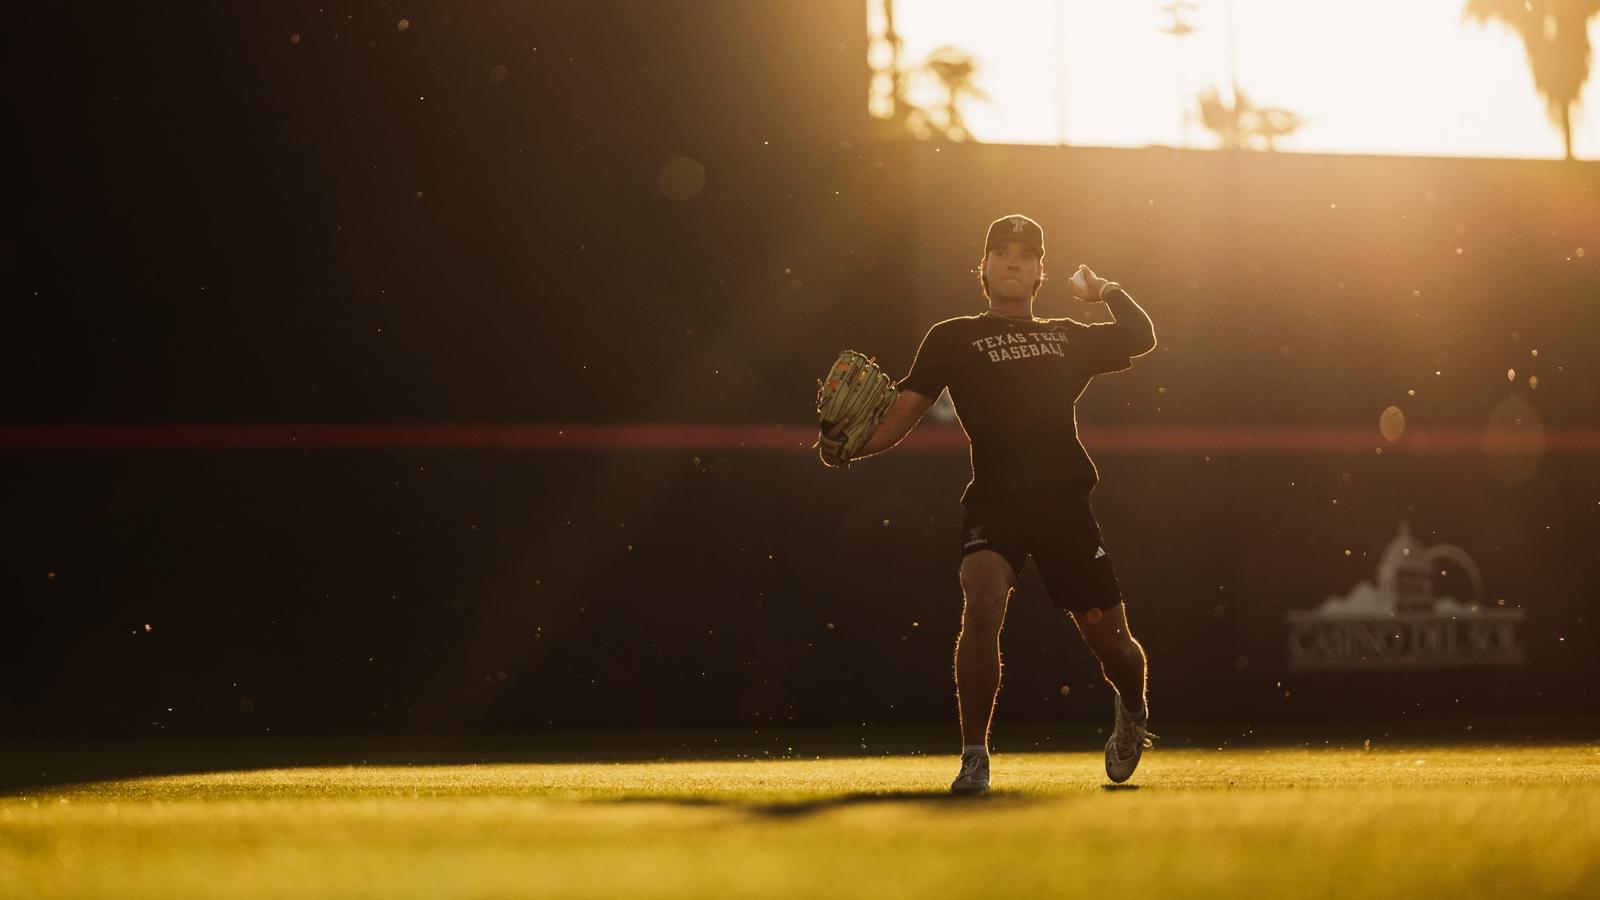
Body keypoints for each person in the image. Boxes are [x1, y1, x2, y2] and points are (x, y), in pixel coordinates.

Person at [818, 213, 1157, 792]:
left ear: (1038, 274)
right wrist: (849, 448)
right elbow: (903, 412)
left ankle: (1131, 708)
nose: (1013, 262)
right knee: (982, 602)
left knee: (1113, 645)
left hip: (1064, 505)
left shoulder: (1066, 335)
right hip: (996, 501)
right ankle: (975, 757)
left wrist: (1103, 290)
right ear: (984, 268)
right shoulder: (953, 336)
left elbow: (1141, 335)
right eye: (1001, 253)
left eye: (1025, 255)